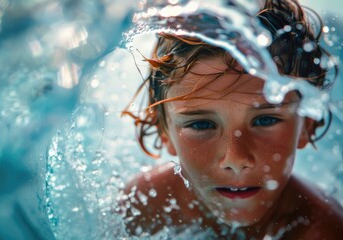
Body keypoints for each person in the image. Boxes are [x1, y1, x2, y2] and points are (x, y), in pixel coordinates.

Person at [120, 0, 343, 238]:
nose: (235, 159)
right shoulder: (145, 206)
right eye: (201, 124)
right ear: (165, 131)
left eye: (265, 120)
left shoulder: (323, 230)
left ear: (306, 124)